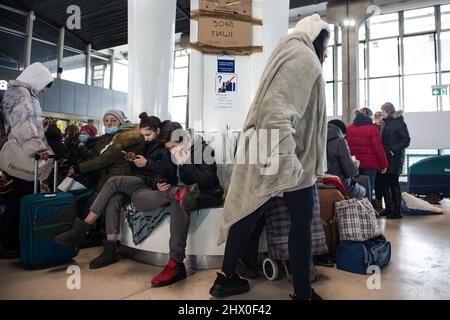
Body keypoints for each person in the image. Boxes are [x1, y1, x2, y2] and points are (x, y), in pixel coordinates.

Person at [209, 14, 329, 300]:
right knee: (301, 221)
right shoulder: (304, 58)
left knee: (248, 211)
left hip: (264, 148)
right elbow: (275, 112)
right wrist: (290, 164)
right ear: (317, 37)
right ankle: (303, 293)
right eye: (326, 44)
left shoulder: (285, 52)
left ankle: (225, 279)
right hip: (284, 153)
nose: (327, 51)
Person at [54, 113, 172, 268]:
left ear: (157, 131)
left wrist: (147, 164)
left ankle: (82, 228)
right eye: (143, 135)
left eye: (148, 134)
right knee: (114, 197)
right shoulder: (145, 143)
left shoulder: (164, 146)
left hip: (148, 184)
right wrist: (133, 158)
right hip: (141, 179)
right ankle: (110, 249)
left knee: (113, 181)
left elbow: (165, 170)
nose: (145, 138)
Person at [0, 62, 53, 257]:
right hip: (22, 153)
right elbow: (22, 124)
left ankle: (10, 240)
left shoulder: (21, 93)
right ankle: (9, 241)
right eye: (44, 84)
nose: (44, 90)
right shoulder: (21, 94)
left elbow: (25, 124)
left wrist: (42, 127)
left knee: (18, 195)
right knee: (22, 196)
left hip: (19, 150)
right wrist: (38, 148)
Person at [70, 109, 142, 192]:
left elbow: (105, 158)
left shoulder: (125, 137)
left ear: (121, 122)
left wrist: (79, 168)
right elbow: (94, 155)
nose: (109, 123)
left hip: (116, 180)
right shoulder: (105, 137)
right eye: (106, 120)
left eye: (113, 120)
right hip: (104, 177)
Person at [346, 108, 388, 206]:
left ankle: (355, 211)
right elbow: (378, 148)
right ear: (369, 116)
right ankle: (367, 213)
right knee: (368, 189)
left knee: (354, 189)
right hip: (370, 165)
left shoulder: (349, 128)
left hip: (354, 164)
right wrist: (384, 164)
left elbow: (346, 148)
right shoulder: (372, 129)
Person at [379, 102, 411, 219]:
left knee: (393, 183)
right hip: (385, 157)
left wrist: (393, 150)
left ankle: (397, 211)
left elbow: (406, 140)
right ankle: (388, 209)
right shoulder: (384, 123)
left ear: (387, 111)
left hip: (395, 158)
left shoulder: (399, 122)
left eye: (382, 110)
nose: (381, 113)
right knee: (385, 183)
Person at [327, 119, 369, 199]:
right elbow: (350, 172)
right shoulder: (340, 142)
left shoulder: (318, 140)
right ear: (341, 132)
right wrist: (356, 164)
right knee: (364, 187)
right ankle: (368, 211)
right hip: (338, 184)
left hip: (321, 182)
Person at [373, 111, 385, 212]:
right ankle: (378, 204)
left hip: (382, 159)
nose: (379, 118)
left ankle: (380, 204)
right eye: (377, 117)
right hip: (375, 160)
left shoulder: (385, 127)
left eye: (380, 116)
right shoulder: (372, 128)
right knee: (377, 183)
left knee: (380, 184)